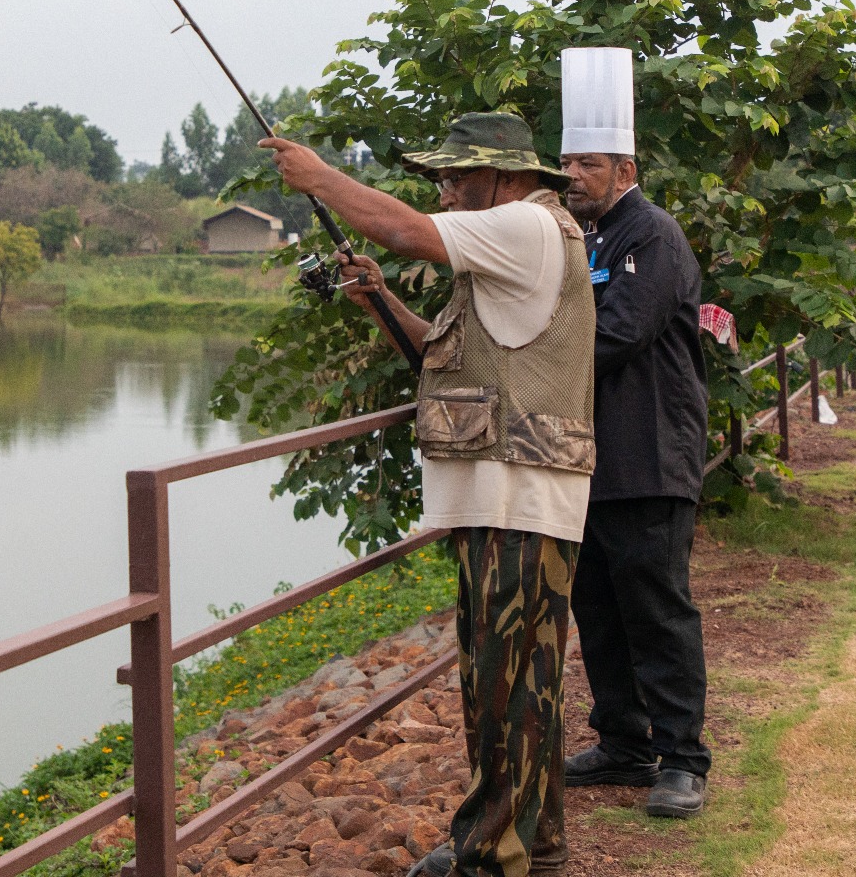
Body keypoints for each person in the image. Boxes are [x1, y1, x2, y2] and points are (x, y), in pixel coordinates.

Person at [264, 112, 595, 877]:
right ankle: (537, 845)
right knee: (522, 686)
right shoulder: (509, 250)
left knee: (502, 691)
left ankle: (489, 859)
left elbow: (405, 231)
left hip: (516, 500)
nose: (442, 189)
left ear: (503, 177)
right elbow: (438, 358)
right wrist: (378, 298)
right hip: (512, 500)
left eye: (454, 175)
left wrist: (319, 178)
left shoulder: (525, 224)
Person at [558, 144, 712, 818]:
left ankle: (682, 760)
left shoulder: (652, 233)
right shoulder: (585, 236)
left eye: (587, 164)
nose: (571, 175)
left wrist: (527, 368)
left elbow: (618, 334)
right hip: (589, 459)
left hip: (649, 457)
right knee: (597, 608)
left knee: (657, 613)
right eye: (565, 162)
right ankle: (623, 743)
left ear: (626, 171)